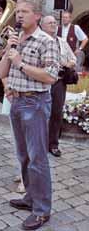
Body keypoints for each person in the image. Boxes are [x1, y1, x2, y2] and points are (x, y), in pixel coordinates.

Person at [0, 0, 59, 230]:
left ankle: (42, 210)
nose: (19, 15)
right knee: (23, 156)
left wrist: (21, 62)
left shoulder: (46, 41)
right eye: (18, 12)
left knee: (38, 159)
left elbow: (51, 77)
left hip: (35, 104)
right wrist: (8, 51)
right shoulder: (16, 38)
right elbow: (1, 72)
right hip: (17, 102)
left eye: (23, 12)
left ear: (37, 15)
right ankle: (30, 197)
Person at [42, 15, 76, 157]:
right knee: (41, 114)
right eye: (50, 23)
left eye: (55, 23)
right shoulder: (39, 41)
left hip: (59, 82)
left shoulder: (61, 42)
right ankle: (40, 144)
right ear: (42, 26)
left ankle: (53, 144)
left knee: (56, 113)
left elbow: (73, 58)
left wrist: (67, 64)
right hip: (42, 81)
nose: (54, 25)